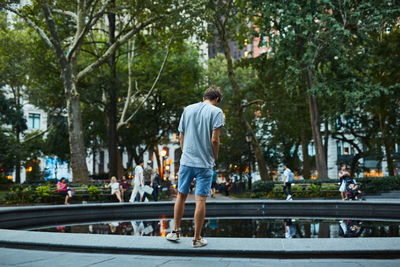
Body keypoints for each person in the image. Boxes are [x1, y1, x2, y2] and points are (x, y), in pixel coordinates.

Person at [166, 86, 224, 248]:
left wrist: (185, 153)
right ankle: (196, 239)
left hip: (186, 161)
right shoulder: (216, 112)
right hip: (204, 163)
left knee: (181, 196)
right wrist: (215, 156)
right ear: (217, 100)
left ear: (204, 96)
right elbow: (215, 140)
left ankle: (175, 231)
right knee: (200, 201)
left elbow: (181, 135)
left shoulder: (188, 109)